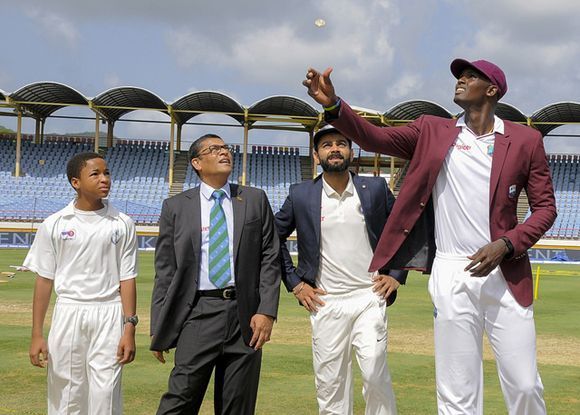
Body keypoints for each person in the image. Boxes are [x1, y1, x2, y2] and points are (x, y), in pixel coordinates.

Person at [302, 59, 556, 414]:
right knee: (456, 390)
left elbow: (545, 209)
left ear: (493, 89)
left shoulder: (525, 139)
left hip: (505, 272)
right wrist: (333, 106)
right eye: (459, 76)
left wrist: (507, 244)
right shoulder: (432, 130)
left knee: (526, 384)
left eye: (471, 76)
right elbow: (374, 138)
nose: (460, 80)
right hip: (452, 270)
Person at [275, 126, 406, 414]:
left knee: (374, 373)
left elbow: (402, 230)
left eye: (341, 143)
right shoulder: (300, 195)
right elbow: (272, 236)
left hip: (368, 296)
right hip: (325, 301)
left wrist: (396, 275)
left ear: (351, 151)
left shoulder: (374, 188)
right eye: (326, 145)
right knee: (330, 383)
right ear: (316, 155)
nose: (334, 148)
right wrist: (295, 282)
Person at [150, 134, 281, 415]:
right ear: (196, 162)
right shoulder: (176, 207)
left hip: (246, 318)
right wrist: (159, 329)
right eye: (214, 149)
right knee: (179, 400)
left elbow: (270, 257)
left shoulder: (255, 199)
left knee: (238, 406)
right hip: (198, 313)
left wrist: (267, 311)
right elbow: (165, 272)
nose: (224, 153)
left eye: (226, 148)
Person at [25, 152, 138, 415]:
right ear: (76, 182)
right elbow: (44, 280)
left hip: (109, 312)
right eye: (95, 174)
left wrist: (129, 327)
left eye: (107, 172)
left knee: (106, 395)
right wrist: (37, 334)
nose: (104, 179)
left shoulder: (122, 223)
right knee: (67, 395)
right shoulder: (54, 224)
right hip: (69, 312)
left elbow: (127, 278)